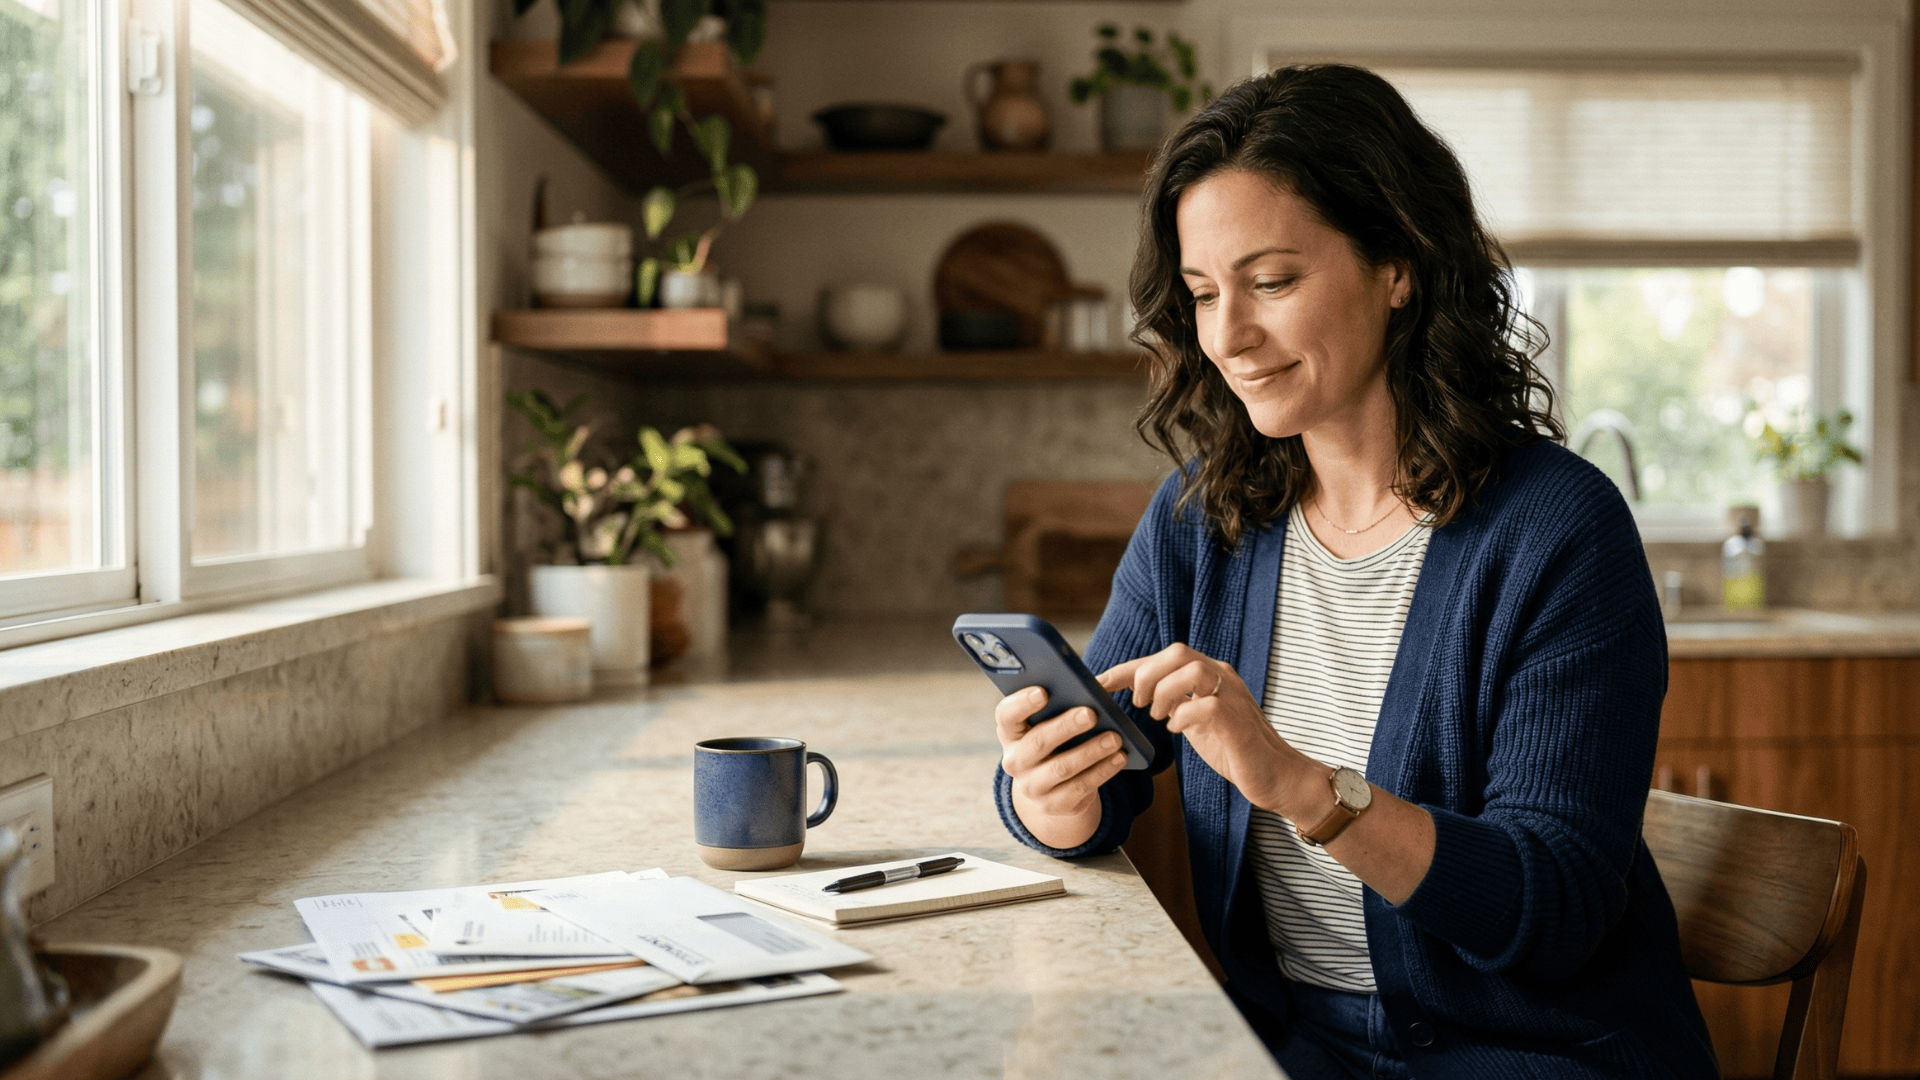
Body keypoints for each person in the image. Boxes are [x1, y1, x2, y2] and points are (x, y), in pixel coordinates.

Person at [991, 65, 1719, 1080]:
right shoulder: (1206, 518)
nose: (1230, 337)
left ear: (1398, 265)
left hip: (1534, 1056)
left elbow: (1551, 907)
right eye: (1204, 294)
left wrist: (1296, 783)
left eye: (1273, 281)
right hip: (1298, 1047)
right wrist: (1052, 797)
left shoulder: (1558, 530)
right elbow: (1104, 772)